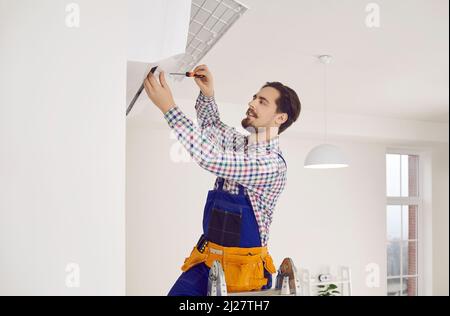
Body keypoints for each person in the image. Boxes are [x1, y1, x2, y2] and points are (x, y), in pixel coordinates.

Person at [144, 65, 301, 296]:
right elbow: (212, 127)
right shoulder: (241, 145)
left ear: (280, 117)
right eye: (255, 97)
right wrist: (208, 95)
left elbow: (211, 158)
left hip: (243, 272)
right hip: (208, 260)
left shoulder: (271, 165)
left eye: (262, 102)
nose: (252, 103)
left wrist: (169, 109)